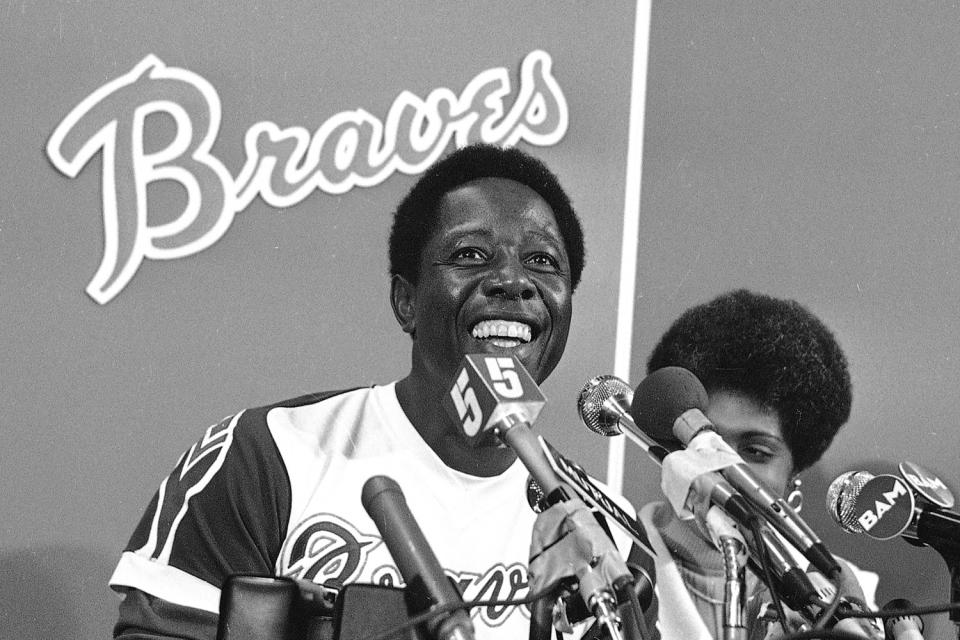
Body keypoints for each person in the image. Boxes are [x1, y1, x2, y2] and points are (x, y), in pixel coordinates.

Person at [108, 143, 612, 640]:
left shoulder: (607, 535)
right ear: (406, 301)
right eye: (470, 254)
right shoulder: (267, 453)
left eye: (543, 262)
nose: (511, 279)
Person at [637, 289, 881, 640]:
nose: (723, 466)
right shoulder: (606, 551)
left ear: (793, 475)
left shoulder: (846, 598)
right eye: (705, 440)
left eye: (755, 451)